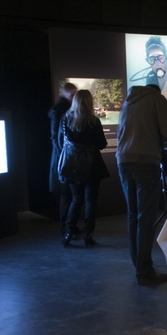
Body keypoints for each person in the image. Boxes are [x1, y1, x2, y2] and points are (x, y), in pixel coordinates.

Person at [116, 80, 167, 285]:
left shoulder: (128, 102)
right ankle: (144, 272)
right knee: (146, 219)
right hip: (145, 161)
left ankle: (139, 266)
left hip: (123, 161)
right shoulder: (157, 99)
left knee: (133, 215)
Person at [59, 88, 109, 247]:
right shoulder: (94, 121)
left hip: (72, 165)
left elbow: (61, 143)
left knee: (76, 199)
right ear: (89, 102)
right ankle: (88, 234)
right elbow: (102, 144)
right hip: (92, 166)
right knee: (90, 201)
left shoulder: (65, 120)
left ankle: (68, 232)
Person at [49, 82, 76, 243]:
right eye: (72, 95)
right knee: (66, 194)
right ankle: (66, 227)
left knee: (69, 194)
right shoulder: (60, 112)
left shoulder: (61, 111)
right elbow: (55, 137)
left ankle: (68, 226)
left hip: (64, 157)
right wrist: (63, 156)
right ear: (65, 95)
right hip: (64, 159)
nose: (74, 98)